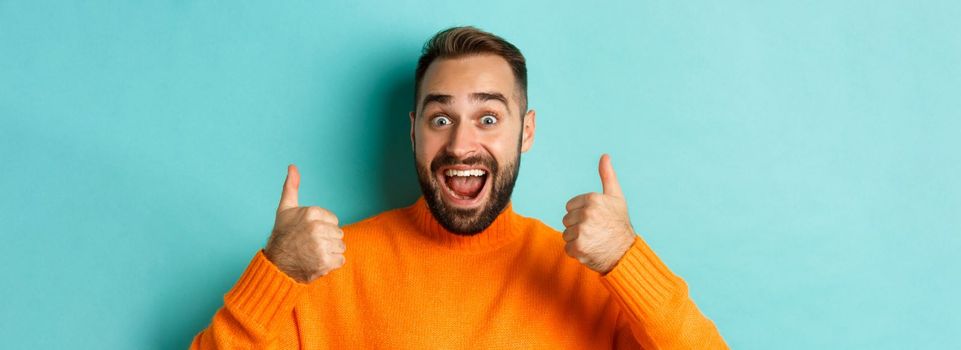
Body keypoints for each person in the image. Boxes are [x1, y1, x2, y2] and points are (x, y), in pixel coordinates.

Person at [192, 26, 728, 349]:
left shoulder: (589, 278)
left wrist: (628, 261)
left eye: (489, 118)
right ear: (413, 132)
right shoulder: (326, 272)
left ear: (528, 130)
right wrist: (275, 274)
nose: (461, 145)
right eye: (441, 119)